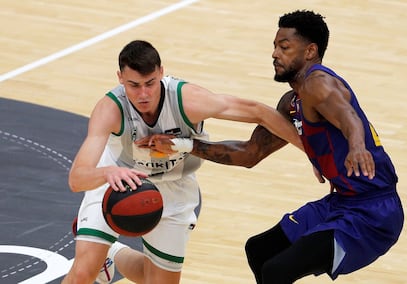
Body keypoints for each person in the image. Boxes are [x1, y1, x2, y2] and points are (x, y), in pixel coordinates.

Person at [142, 10, 404, 284]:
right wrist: (183, 145)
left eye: (285, 47)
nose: (274, 54)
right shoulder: (292, 102)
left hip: (374, 214)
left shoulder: (319, 84)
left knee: (277, 271)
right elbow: (250, 153)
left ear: (310, 51)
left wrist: (357, 146)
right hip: (343, 202)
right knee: (260, 250)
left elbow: (348, 117)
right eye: (275, 46)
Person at [62, 39, 303, 284]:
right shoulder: (110, 109)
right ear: (120, 78)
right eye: (134, 85)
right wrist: (107, 173)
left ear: (161, 73)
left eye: (150, 83)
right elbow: (77, 178)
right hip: (118, 181)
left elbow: (258, 112)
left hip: (172, 189)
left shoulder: (188, 100)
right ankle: (97, 255)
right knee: (82, 273)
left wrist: (310, 151)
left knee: (153, 279)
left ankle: (112, 254)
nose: (143, 94)